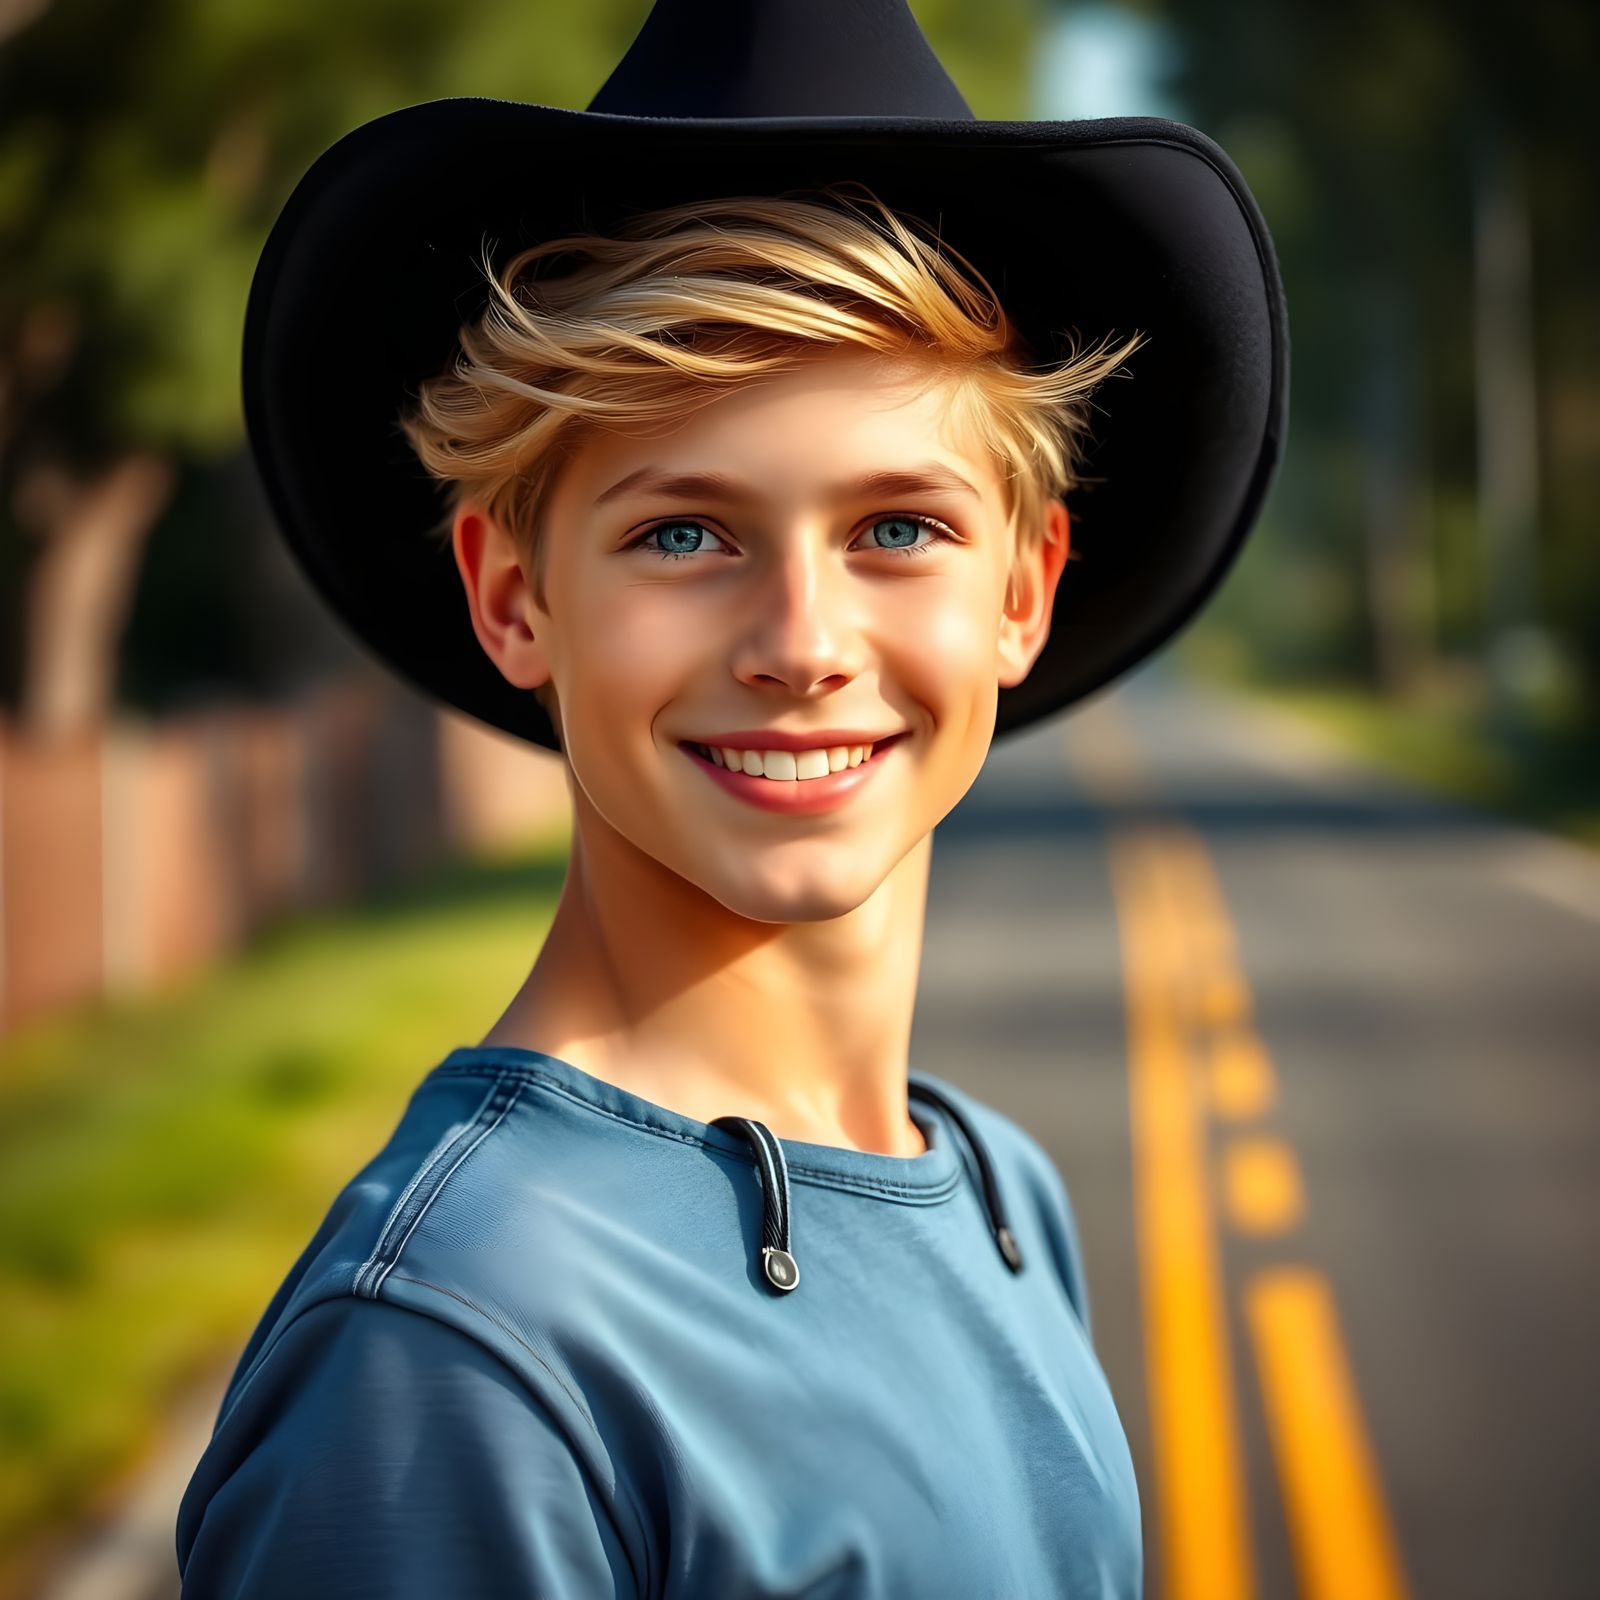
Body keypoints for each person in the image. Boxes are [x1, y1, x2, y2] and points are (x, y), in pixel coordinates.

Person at [176, 2, 1287, 1595]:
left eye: (900, 527)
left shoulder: (994, 1189)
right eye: (684, 535)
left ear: (1024, 593)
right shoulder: (460, 1355)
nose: (802, 647)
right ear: (513, 599)